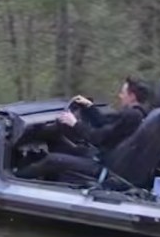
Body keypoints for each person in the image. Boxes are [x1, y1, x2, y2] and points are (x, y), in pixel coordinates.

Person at [15, 75, 151, 181]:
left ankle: (16, 177)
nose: (120, 96)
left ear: (132, 96)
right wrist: (88, 107)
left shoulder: (131, 116)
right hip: (110, 158)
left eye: (123, 93)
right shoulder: (139, 114)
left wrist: (74, 123)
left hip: (106, 166)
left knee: (54, 160)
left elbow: (97, 137)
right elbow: (105, 123)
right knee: (60, 144)